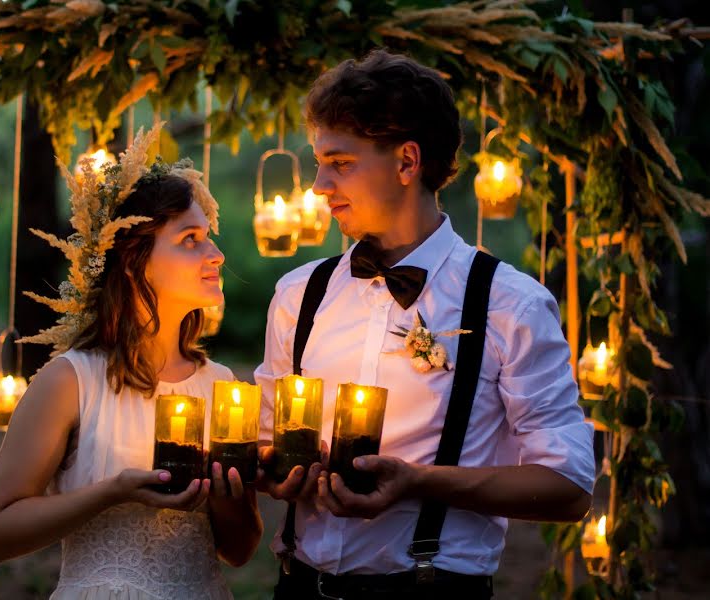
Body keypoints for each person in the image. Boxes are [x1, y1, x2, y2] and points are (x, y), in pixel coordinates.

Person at [254, 49, 595, 599]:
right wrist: (273, 469)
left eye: (340, 163)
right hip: (298, 588)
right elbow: (267, 442)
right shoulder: (298, 294)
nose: (318, 185)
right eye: (319, 162)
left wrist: (421, 483)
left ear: (407, 162)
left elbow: (568, 487)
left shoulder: (511, 304)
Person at [0, 125, 262, 600]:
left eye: (209, 237)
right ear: (134, 261)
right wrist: (114, 491)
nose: (216, 254)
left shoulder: (222, 385)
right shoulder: (70, 381)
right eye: (190, 238)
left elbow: (239, 549)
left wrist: (229, 497)